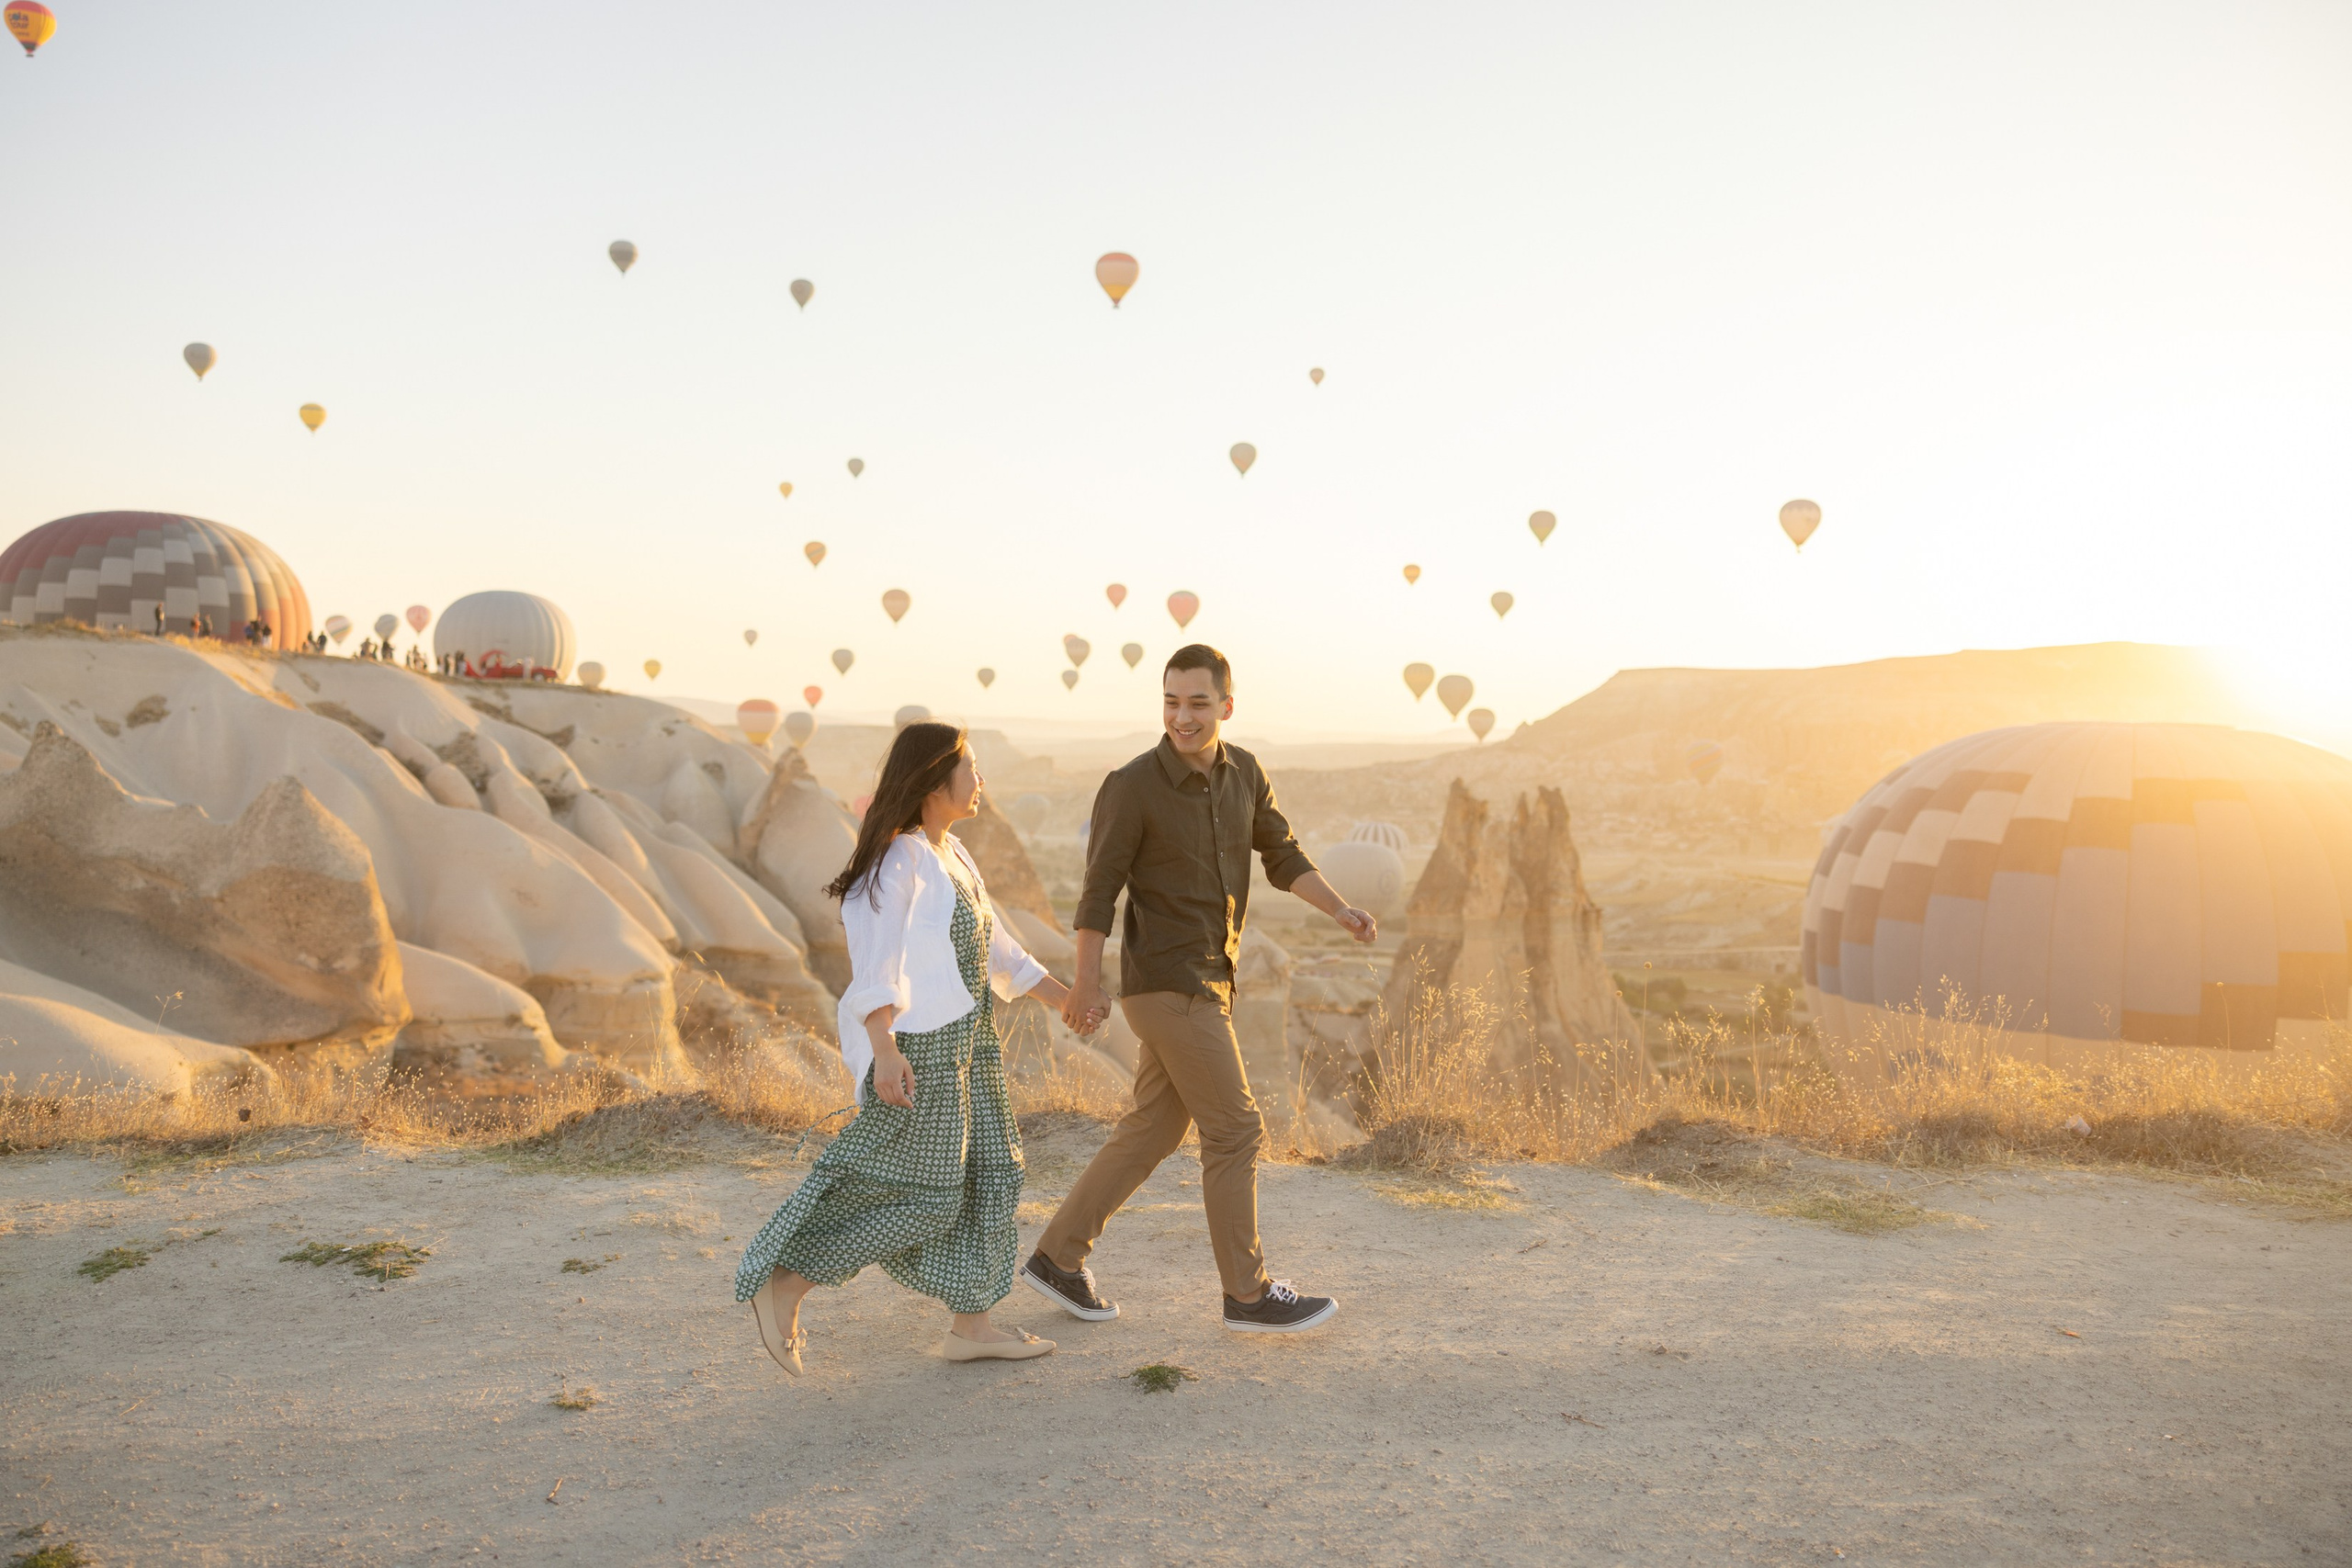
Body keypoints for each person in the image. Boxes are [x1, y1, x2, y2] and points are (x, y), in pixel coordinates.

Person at [1023, 644, 1375, 1334]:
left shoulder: (1243, 772)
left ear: (1227, 706)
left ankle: (1057, 1257)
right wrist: (1085, 987)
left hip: (1213, 977)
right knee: (1237, 1127)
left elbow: (1282, 855)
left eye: (1198, 703)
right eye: (1171, 702)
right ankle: (1247, 1292)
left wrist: (1338, 908)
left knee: (1154, 1125)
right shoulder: (1131, 784)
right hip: (1167, 981)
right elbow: (1099, 893)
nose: (1182, 717)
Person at [735, 722, 1087, 1372]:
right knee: (928, 1197)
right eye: (971, 767)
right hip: (920, 1049)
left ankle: (973, 1326)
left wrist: (1066, 997)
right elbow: (876, 959)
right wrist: (884, 1045)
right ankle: (787, 1281)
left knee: (993, 1175)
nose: (981, 780)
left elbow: (1002, 951)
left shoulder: (953, 854)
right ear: (933, 777)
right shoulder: (898, 859)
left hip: (970, 1045)